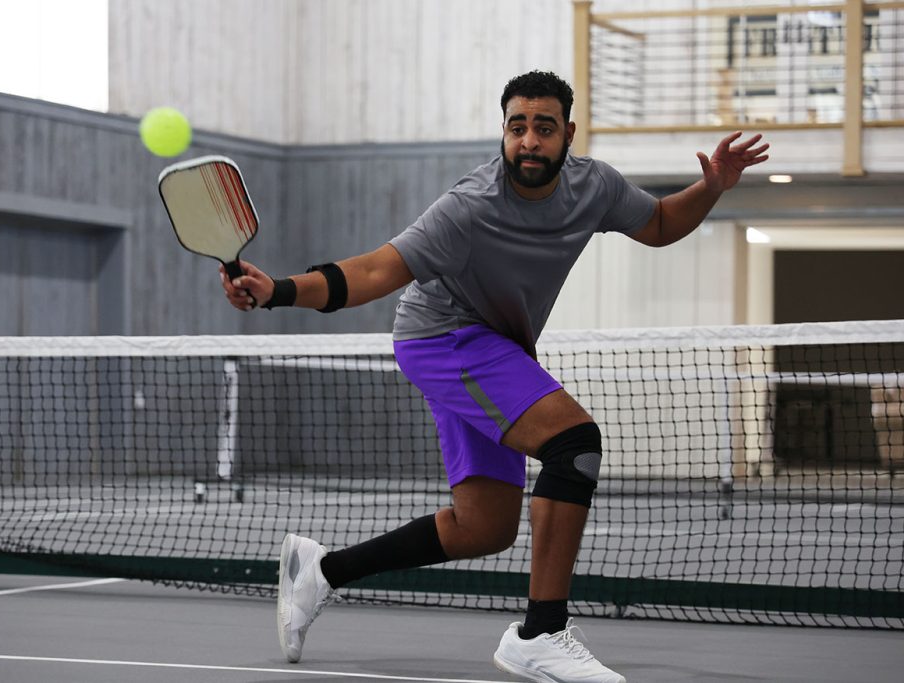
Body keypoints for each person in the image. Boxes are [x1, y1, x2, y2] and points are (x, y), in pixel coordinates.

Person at [221, 70, 769, 683]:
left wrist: (712, 186)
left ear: (568, 135)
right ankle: (541, 633)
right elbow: (376, 270)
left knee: (484, 528)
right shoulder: (470, 206)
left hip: (496, 347)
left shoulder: (595, 187)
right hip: (443, 337)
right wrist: (278, 291)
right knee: (574, 444)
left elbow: (661, 224)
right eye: (517, 127)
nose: (529, 141)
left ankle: (322, 571)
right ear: (503, 131)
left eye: (544, 128)